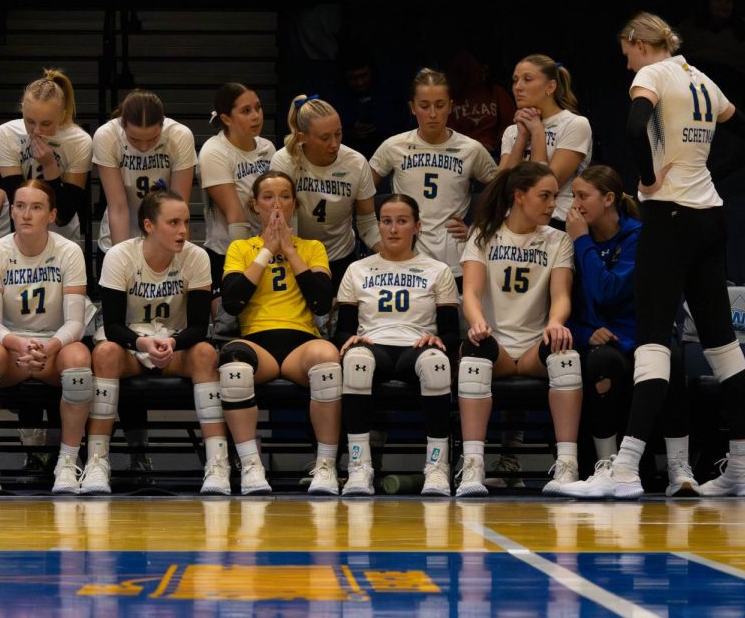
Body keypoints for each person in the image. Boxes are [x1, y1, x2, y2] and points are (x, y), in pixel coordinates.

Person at [559, 12, 745, 500]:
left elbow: (635, 128)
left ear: (637, 41)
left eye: (626, 52)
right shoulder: (702, 80)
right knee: (722, 344)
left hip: (668, 217)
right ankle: (743, 466)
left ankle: (626, 468)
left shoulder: (652, 75)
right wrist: (707, 171)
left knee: (653, 341)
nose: (627, 63)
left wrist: (650, 177)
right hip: (709, 217)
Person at [565, 165, 698, 496]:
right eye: (573, 197)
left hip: (641, 335)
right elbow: (566, 303)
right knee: (600, 363)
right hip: (602, 339)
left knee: (674, 359)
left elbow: (607, 290)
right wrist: (585, 332)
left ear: (609, 198)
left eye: (583, 196)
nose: (575, 205)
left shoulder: (639, 237)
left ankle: (678, 467)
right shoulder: (567, 242)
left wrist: (582, 240)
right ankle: (610, 466)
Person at [455, 162, 582, 497]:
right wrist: (477, 321)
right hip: (494, 343)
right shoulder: (483, 234)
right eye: (545, 195)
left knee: (566, 356)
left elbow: (561, 295)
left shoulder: (558, 240)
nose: (553, 203)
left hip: (531, 349)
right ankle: (473, 466)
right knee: (473, 356)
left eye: (555, 196)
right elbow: (470, 291)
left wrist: (555, 323)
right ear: (520, 196)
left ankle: (568, 465)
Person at [87, 189, 226, 495]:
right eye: (173, 222)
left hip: (174, 346)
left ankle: (218, 464)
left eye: (186, 222)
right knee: (106, 353)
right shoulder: (120, 256)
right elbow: (112, 326)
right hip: (131, 347)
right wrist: (142, 344)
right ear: (149, 225)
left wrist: (172, 344)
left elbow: (200, 327)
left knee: (204, 353)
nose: (183, 231)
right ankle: (97, 461)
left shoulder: (197, 256)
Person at [0, 180, 92, 494]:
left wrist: (49, 347)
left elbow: (75, 323)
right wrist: (19, 343)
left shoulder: (69, 252)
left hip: (54, 349)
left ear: (51, 215)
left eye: (36, 207)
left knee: (79, 358)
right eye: (19, 206)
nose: (26, 214)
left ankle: (66, 464)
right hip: (14, 351)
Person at [219, 170, 341, 494]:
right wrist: (266, 250)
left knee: (328, 358)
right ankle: (251, 467)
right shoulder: (241, 248)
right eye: (268, 197)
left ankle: (326, 466)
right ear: (255, 205)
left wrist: (289, 251)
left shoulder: (311, 247)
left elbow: (321, 302)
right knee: (232, 364)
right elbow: (231, 303)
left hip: (301, 342)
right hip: (258, 342)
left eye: (285, 197)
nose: (277, 205)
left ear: (294, 204)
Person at [334, 193, 460, 496]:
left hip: (415, 347)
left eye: (401, 222)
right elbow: (343, 331)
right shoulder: (358, 269)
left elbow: (452, 334)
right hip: (372, 343)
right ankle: (359, 467)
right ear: (378, 225)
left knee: (438, 364)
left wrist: (438, 339)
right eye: (386, 222)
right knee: (355, 361)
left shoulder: (437, 271)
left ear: (417, 226)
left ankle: (437, 467)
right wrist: (350, 341)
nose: (393, 229)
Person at [369, 68, 498, 285]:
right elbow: (362, 195)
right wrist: (376, 238)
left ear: (450, 106)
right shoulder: (393, 146)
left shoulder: (471, 149)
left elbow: (503, 192)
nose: (432, 114)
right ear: (412, 108)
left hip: (455, 260)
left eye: (439, 105)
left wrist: (477, 228)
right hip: (406, 257)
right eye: (424, 106)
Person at [270, 95, 377, 293]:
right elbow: (283, 223)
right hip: (297, 258)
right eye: (325, 138)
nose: (334, 144)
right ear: (302, 138)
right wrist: (297, 261)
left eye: (338, 134)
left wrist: (392, 255)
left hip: (341, 257)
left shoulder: (357, 163)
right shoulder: (284, 161)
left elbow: (367, 222)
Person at [0, 68, 91, 244]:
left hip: (62, 239)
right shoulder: (6, 134)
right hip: (15, 235)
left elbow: (63, 215)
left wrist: (50, 166)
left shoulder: (79, 141)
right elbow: (18, 202)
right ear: (22, 109)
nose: (37, 131)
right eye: (30, 121)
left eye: (46, 123)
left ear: (62, 114)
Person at [93, 89, 196, 254]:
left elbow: (179, 206)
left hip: (165, 241)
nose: (143, 147)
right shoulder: (106, 136)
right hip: (120, 237)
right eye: (134, 139)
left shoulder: (180, 136)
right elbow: (118, 207)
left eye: (152, 139)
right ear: (122, 124)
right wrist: (123, 259)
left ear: (163, 124)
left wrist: (179, 255)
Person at [199, 82, 275, 296]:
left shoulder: (267, 148)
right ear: (226, 119)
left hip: (266, 249)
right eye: (246, 111)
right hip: (228, 253)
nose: (256, 116)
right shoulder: (214, 152)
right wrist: (246, 262)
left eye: (258, 108)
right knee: (232, 325)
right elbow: (235, 215)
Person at [498, 55, 591, 227]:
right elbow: (500, 188)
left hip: (556, 222)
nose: (518, 87)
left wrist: (538, 133)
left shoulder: (575, 124)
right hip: (513, 222)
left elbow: (546, 186)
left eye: (527, 80)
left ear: (550, 86)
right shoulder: (512, 131)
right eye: (515, 80)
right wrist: (522, 138)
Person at [447, 50, 516, 156]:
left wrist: (499, 145)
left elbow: (510, 125)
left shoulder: (495, 92)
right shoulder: (451, 98)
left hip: (493, 153)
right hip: (460, 154)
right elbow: (447, 132)